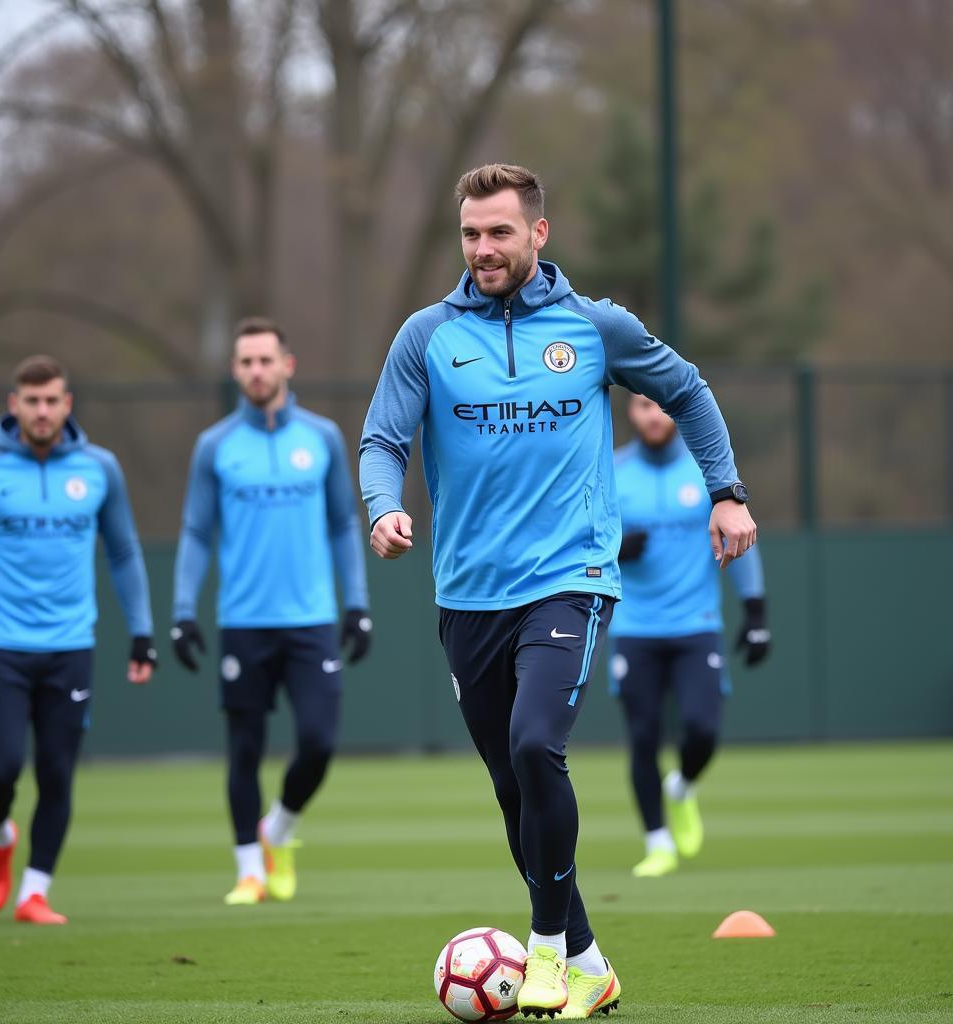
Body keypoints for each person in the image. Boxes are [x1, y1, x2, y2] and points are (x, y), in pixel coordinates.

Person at [359, 163, 757, 1020]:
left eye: (500, 231)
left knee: (538, 747)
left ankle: (544, 955)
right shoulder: (426, 335)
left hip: (569, 578)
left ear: (539, 233)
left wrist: (725, 491)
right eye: (471, 234)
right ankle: (591, 961)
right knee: (515, 789)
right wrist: (384, 507)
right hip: (468, 591)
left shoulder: (595, 327)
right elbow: (382, 438)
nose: (484, 248)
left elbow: (686, 390)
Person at [0, 355, 157, 925]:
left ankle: (33, 892)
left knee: (58, 772)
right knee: (0, 771)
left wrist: (141, 633)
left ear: (68, 405)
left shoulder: (99, 469)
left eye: (52, 400)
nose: (42, 411)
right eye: (31, 401)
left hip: (70, 648)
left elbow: (123, 553)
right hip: (0, 648)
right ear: (14, 405)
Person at [171, 317, 371, 906]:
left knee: (317, 742)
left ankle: (277, 831)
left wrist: (356, 603)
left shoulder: (323, 437)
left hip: (310, 620)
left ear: (287, 365)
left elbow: (342, 523)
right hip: (243, 622)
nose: (257, 371)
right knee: (245, 749)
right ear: (236, 371)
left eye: (266, 360)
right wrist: (184, 610)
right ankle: (248, 871)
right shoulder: (215, 446)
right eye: (246, 362)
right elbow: (195, 531)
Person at [609, 393, 770, 879]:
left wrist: (756, 611)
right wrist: (616, 546)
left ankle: (682, 787)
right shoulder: (612, 470)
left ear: (675, 413)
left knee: (702, 730)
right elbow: (580, 538)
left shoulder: (707, 472)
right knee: (642, 737)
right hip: (634, 627)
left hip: (696, 623)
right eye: (641, 405)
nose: (653, 414)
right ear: (630, 415)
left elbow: (739, 535)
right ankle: (657, 843)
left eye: (660, 405)